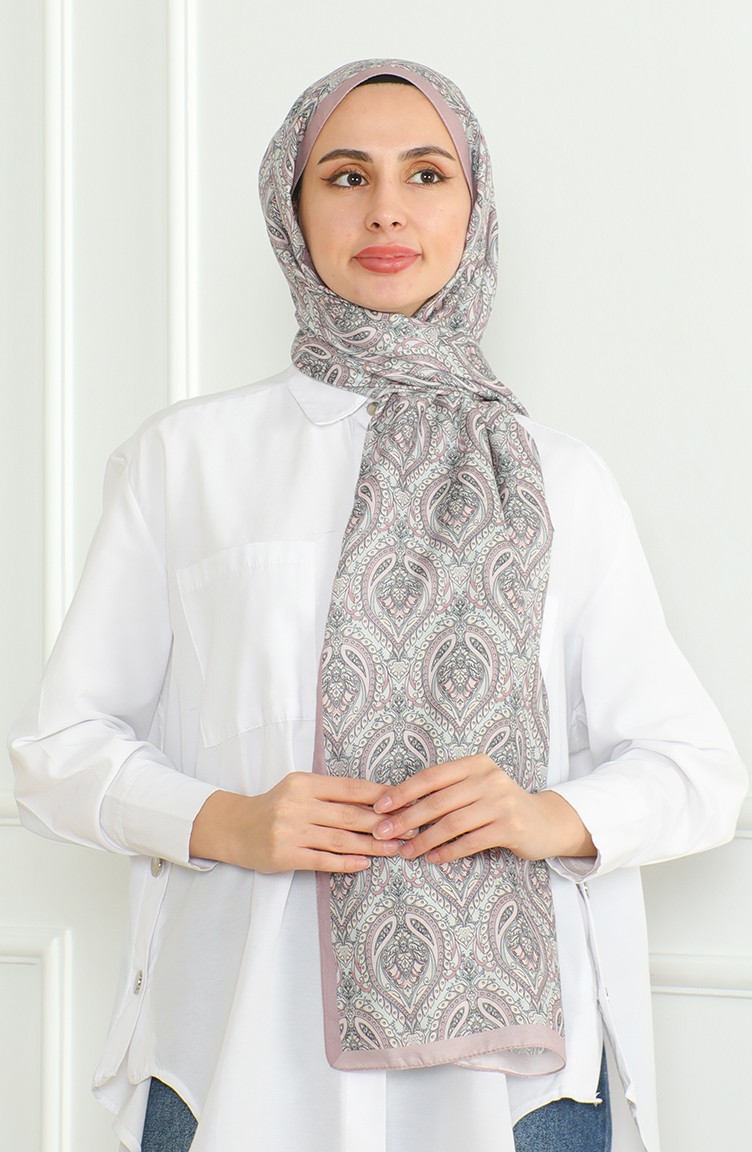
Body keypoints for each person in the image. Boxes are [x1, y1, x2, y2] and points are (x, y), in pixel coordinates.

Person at [9, 58, 746, 1152]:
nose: (387, 209)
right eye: (346, 176)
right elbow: (56, 751)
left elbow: (698, 773)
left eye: (427, 174)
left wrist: (544, 817)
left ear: (473, 207)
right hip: (240, 1059)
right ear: (291, 208)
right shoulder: (188, 461)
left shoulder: (560, 476)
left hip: (515, 1091)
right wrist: (227, 822)